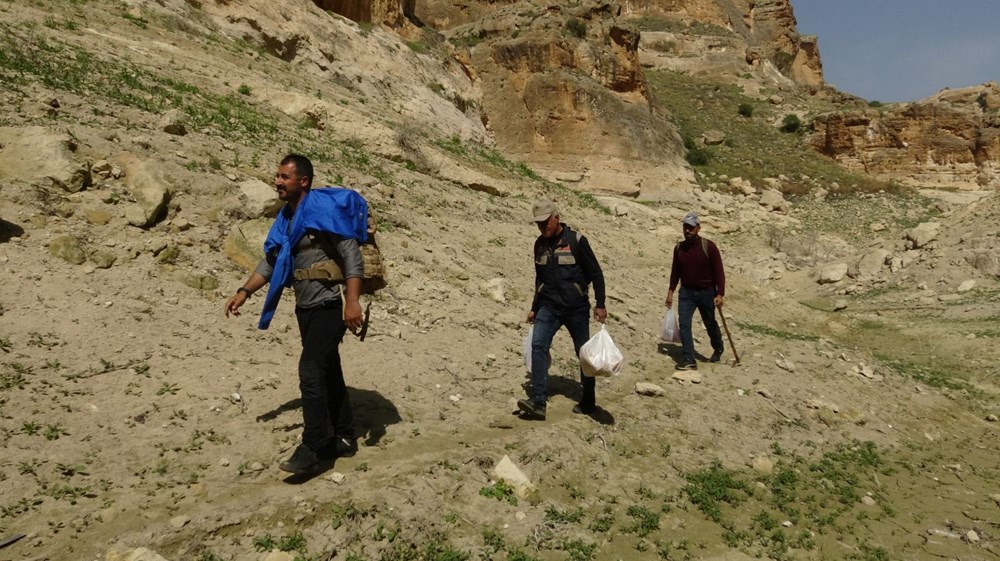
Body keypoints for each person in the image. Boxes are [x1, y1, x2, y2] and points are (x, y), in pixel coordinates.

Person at [225, 154, 366, 475]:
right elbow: (272, 262)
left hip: (329, 306)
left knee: (310, 371)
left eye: (283, 177)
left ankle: (314, 446)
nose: (277, 181)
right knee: (328, 371)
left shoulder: (322, 212)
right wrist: (244, 292)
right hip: (305, 308)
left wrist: (352, 302)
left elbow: (350, 254)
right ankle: (344, 437)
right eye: (276, 176)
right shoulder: (285, 219)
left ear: (302, 181)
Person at [519, 200, 607, 420]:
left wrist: (601, 304)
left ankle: (588, 400)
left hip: (576, 309)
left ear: (556, 218)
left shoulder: (577, 241)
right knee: (538, 345)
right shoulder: (539, 245)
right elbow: (539, 280)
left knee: (583, 354)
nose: (542, 227)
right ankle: (538, 401)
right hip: (548, 306)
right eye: (538, 224)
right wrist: (534, 308)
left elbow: (596, 273)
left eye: (545, 222)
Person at [664, 211, 725, 370]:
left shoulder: (708, 246)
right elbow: (675, 272)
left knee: (709, 322)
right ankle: (688, 358)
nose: (687, 231)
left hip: (706, 292)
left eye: (690, 228)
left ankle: (718, 347)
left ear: (698, 228)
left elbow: (719, 272)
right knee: (684, 324)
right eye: (685, 227)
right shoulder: (679, 249)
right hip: (686, 293)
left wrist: (720, 294)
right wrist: (670, 291)